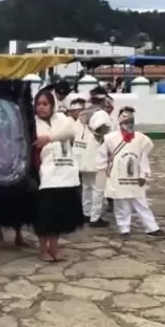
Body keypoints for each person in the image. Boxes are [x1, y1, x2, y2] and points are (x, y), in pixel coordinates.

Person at [97, 106, 164, 239]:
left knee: (141, 202)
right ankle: (124, 228)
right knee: (121, 203)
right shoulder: (110, 138)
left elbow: (143, 157)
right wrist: (105, 170)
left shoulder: (141, 139)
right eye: (125, 121)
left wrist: (143, 173)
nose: (128, 124)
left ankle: (152, 227)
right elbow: (102, 156)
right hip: (117, 175)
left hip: (135, 176)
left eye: (130, 121)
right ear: (119, 121)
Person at [32, 90, 83, 262]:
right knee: (45, 214)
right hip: (46, 174)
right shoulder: (33, 123)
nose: (41, 107)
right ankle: (42, 249)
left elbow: (70, 132)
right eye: (38, 104)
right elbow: (35, 141)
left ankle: (54, 246)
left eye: (45, 104)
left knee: (59, 214)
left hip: (65, 172)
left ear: (52, 105)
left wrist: (49, 138)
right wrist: (50, 139)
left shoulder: (61, 119)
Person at [73, 86, 112, 227]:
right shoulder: (101, 114)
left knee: (87, 186)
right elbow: (105, 134)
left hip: (82, 155)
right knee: (98, 188)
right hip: (96, 156)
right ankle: (95, 218)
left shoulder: (83, 113)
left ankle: (86, 213)